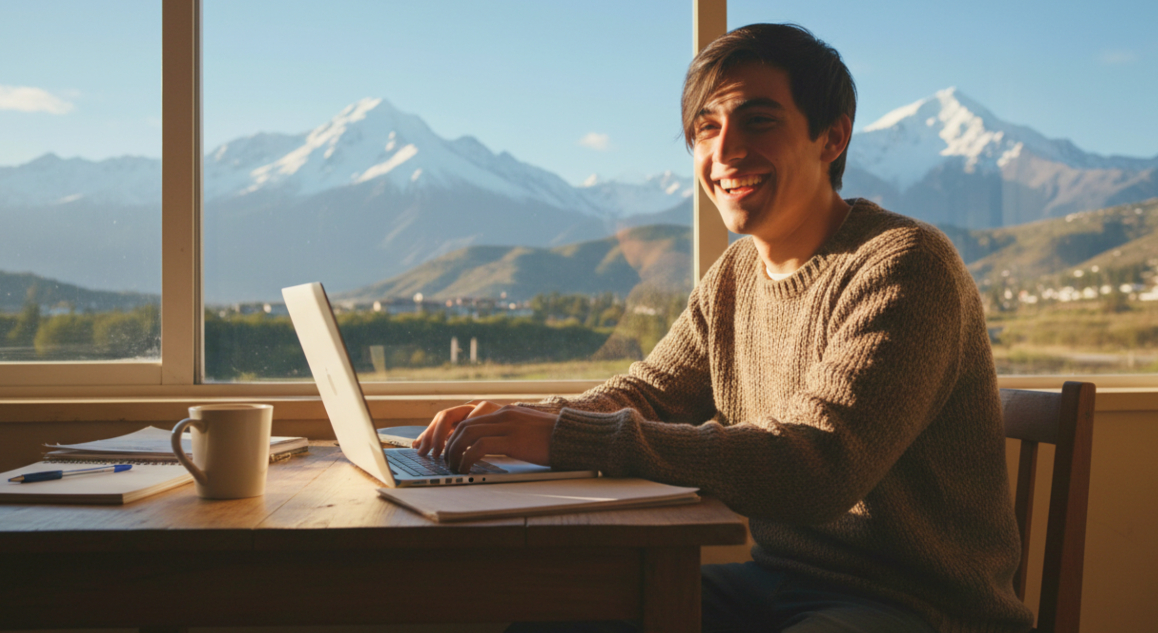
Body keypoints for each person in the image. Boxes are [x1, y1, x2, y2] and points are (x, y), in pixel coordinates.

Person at [414, 23, 1033, 633]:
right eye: (706, 127)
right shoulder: (735, 274)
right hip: (775, 582)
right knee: (540, 616)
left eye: (757, 120)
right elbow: (649, 393)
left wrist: (562, 438)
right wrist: (512, 421)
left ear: (832, 139)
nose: (725, 151)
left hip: (918, 606)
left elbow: (817, 467)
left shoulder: (906, 264)